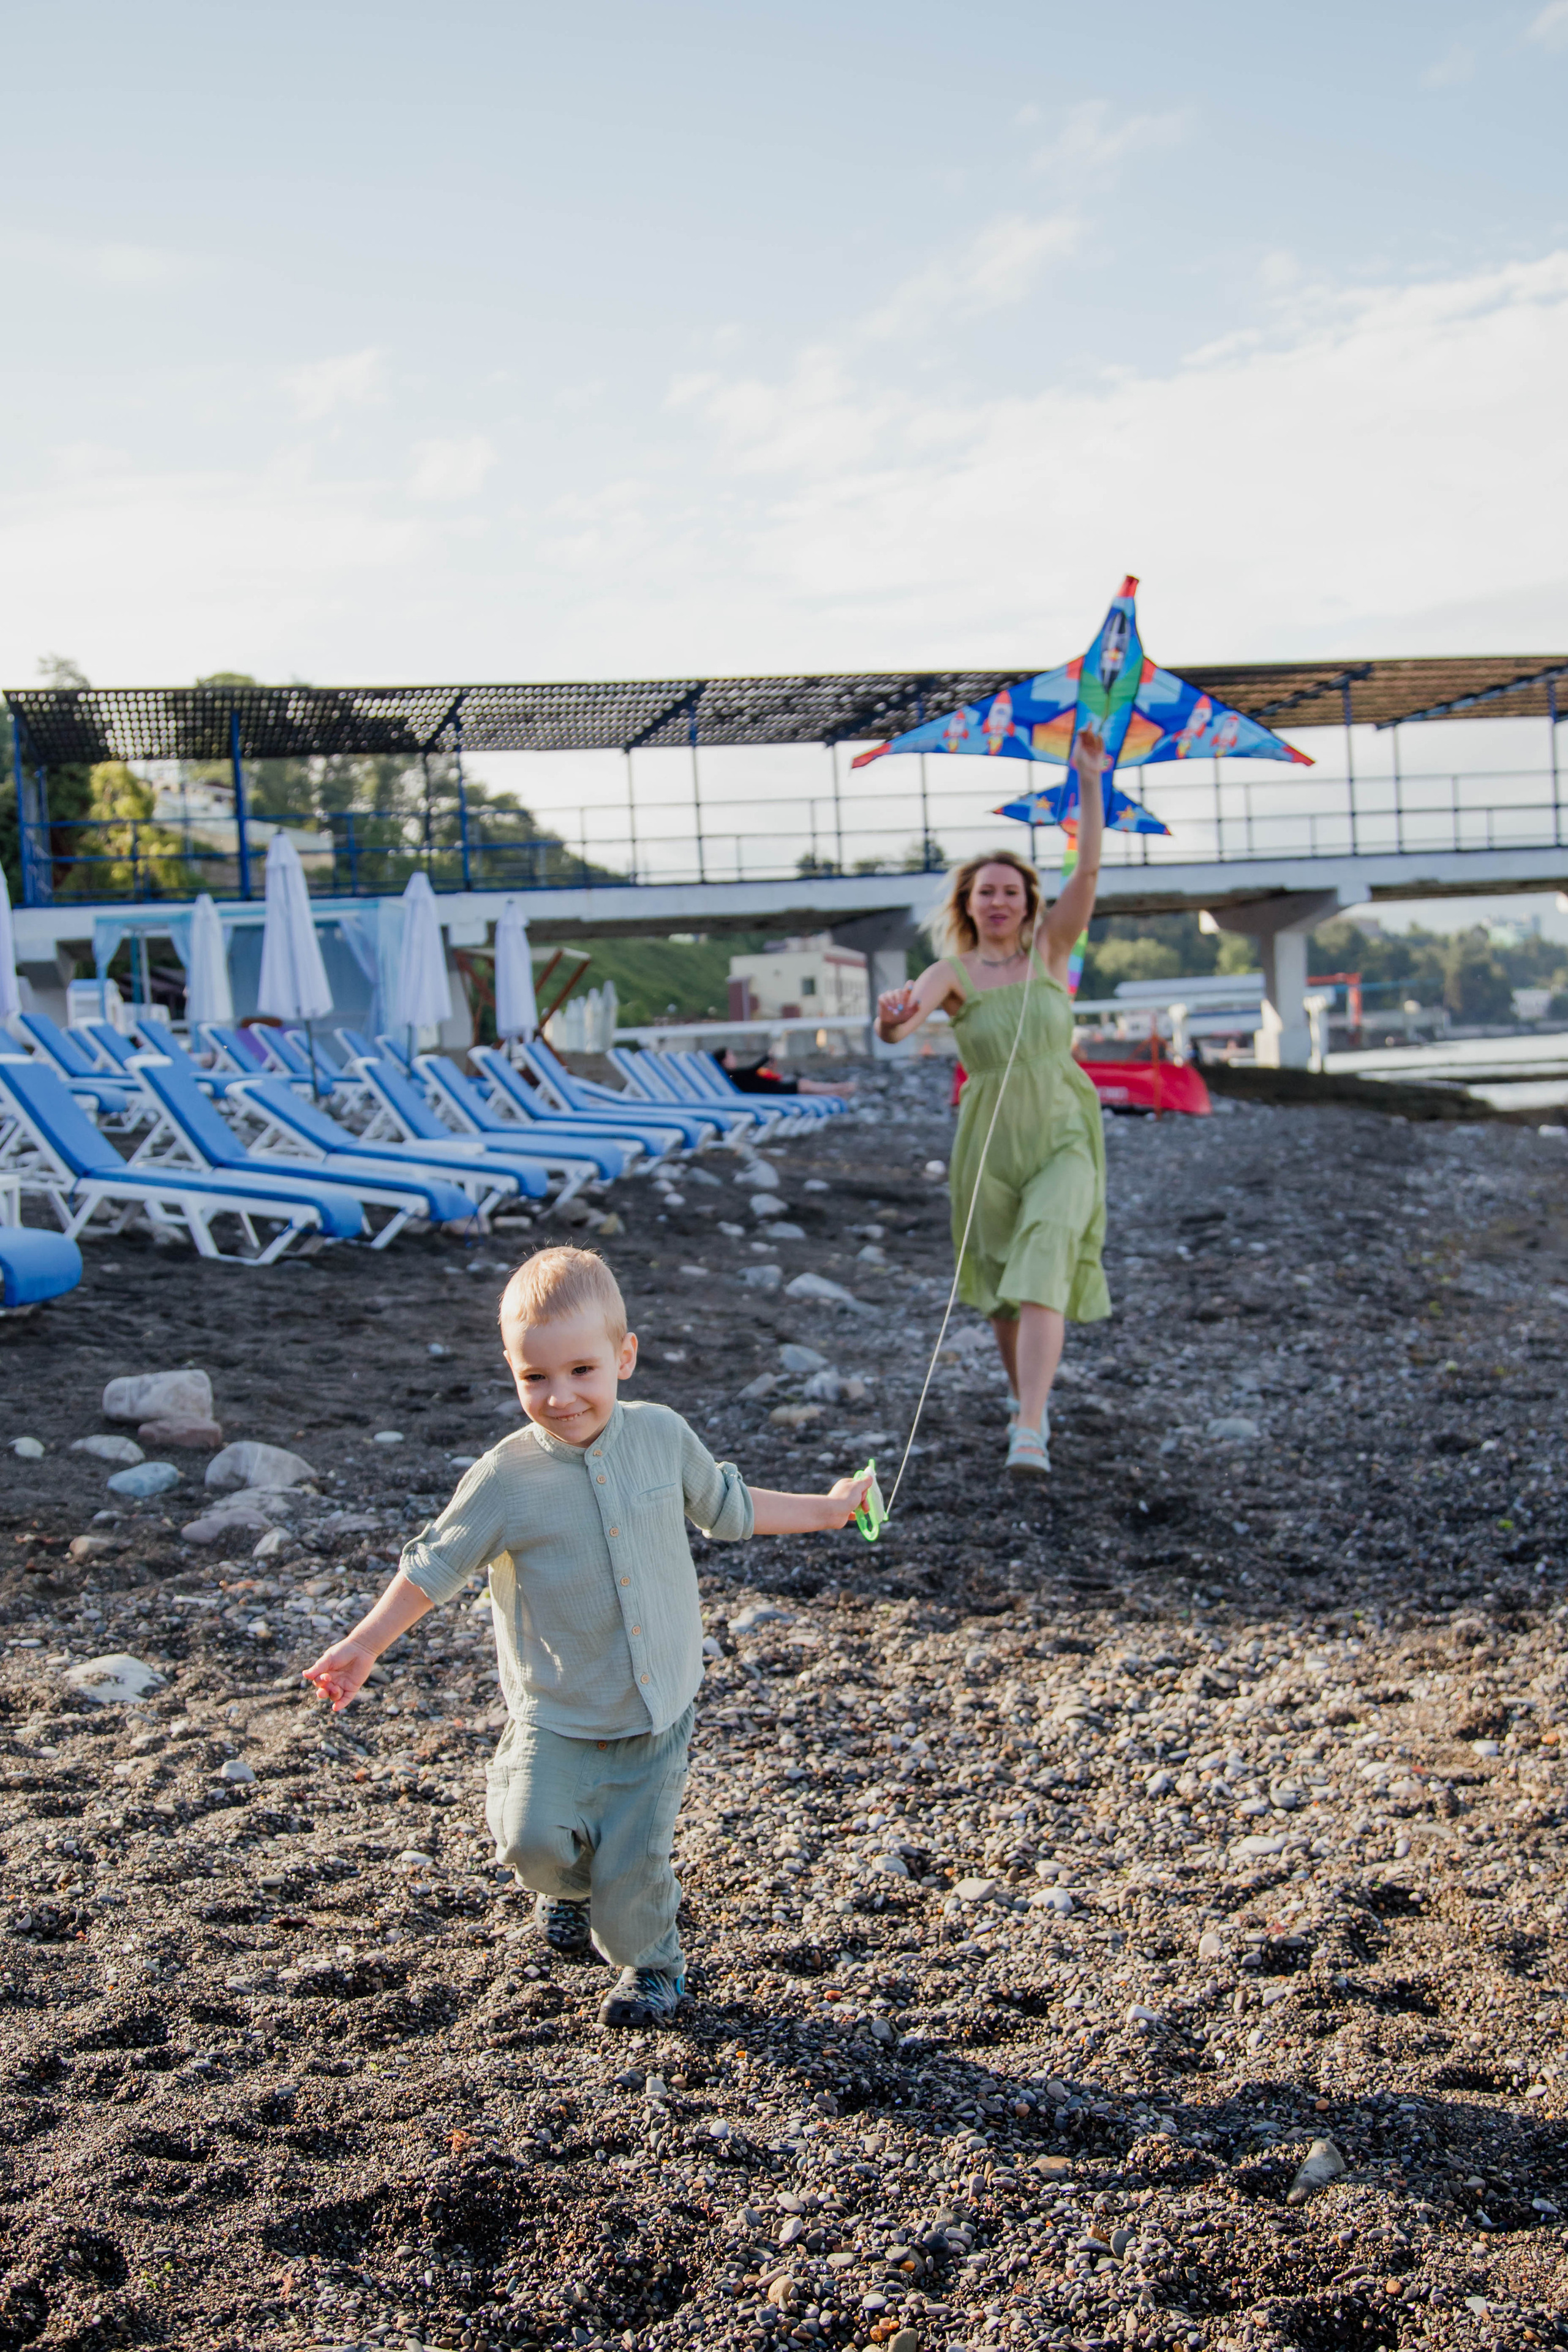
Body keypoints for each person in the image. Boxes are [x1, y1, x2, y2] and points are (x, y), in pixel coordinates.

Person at [301, 1246, 870, 2029]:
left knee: (633, 1870)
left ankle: (652, 1968)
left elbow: (730, 1509)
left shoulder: (663, 1438)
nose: (561, 1397)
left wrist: (828, 1508)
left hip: (655, 1707)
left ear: (623, 1357)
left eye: (581, 1371)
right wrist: (365, 1644)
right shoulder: (506, 1478)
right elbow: (435, 1563)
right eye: (535, 1378)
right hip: (556, 1709)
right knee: (529, 1839)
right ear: (511, 1369)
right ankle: (566, 1890)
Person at [873, 728, 1110, 1479]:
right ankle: (1023, 1399)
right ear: (968, 905)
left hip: (1064, 1130)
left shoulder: (1052, 950)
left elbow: (1091, 866)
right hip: (989, 1141)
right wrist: (889, 1015)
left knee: (1045, 1259)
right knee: (1005, 1292)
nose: (1000, 900)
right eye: (987, 891)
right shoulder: (952, 970)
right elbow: (902, 1024)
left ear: (1028, 902)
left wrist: (1090, 779)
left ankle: (1031, 1429)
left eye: (1012, 890)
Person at [714, 1046, 856, 1098]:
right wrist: (766, 1057)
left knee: (805, 1087)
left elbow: (753, 1075)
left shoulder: (733, 1074)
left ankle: (838, 1091)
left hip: (771, 1090)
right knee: (804, 1086)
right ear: (724, 1061)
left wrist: (769, 1065)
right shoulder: (732, 1075)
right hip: (771, 1092)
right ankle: (840, 1089)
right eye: (731, 1056)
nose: (734, 1058)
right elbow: (752, 1071)